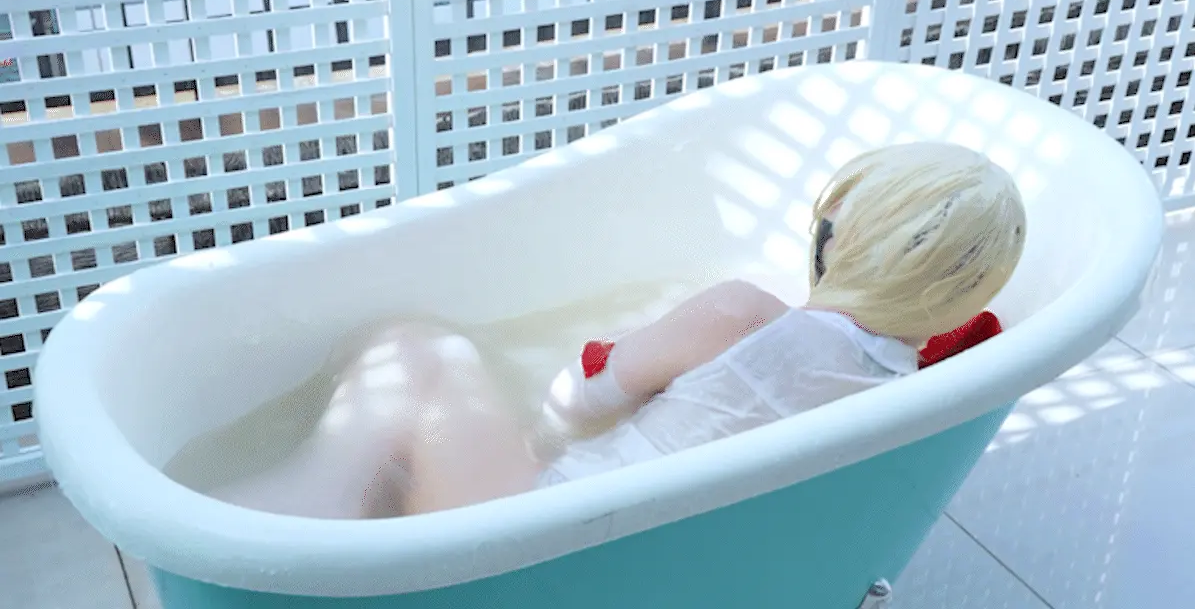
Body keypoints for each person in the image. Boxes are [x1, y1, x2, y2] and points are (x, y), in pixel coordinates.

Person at [209, 141, 1026, 519]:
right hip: (648, 559)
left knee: (416, 353)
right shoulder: (910, 387)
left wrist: (534, 432)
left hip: (540, 533)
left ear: (836, 232)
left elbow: (579, 400)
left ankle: (277, 526)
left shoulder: (739, 316)